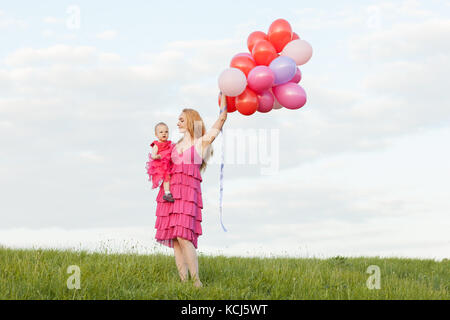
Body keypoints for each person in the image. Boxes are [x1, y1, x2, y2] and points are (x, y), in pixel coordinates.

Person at [154, 93, 228, 288]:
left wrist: (225, 99)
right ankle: (183, 281)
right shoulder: (173, 146)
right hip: (169, 195)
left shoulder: (200, 143)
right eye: (177, 119)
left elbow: (221, 120)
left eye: (181, 119)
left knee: (184, 237)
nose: (177, 122)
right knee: (176, 240)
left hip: (187, 195)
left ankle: (197, 282)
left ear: (190, 121)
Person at [146, 122, 175, 202]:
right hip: (161, 164)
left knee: (169, 176)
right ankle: (167, 193)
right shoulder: (157, 145)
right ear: (156, 134)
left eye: (166, 132)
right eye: (161, 132)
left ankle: (167, 192)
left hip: (168, 162)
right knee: (167, 177)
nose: (164, 134)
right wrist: (157, 156)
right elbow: (153, 155)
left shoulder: (169, 143)